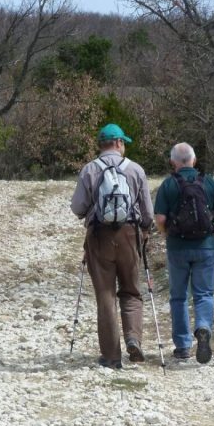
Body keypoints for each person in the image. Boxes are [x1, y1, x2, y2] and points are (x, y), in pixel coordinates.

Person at [71, 123, 154, 369]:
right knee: (131, 291)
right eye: (124, 142)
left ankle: (111, 356)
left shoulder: (89, 170)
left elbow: (77, 208)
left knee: (105, 296)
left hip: (99, 237)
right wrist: (145, 230)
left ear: (102, 144)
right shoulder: (135, 170)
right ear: (118, 143)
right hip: (129, 235)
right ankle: (133, 338)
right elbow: (148, 211)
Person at [153, 143, 214, 364]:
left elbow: (159, 219)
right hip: (206, 247)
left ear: (173, 162)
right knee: (204, 294)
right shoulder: (208, 182)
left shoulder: (168, 185)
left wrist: (166, 233)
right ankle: (203, 327)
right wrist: (212, 221)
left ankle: (183, 346)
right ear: (194, 161)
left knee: (178, 297)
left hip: (177, 247)